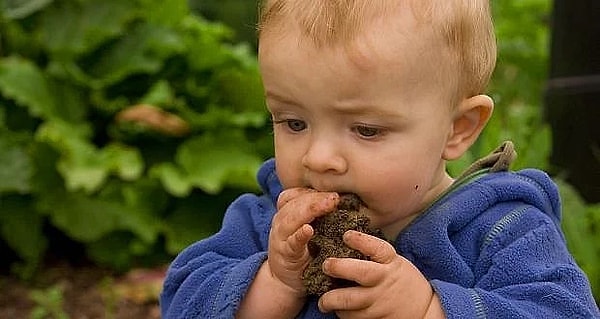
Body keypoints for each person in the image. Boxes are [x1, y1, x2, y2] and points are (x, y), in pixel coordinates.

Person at [160, 0, 600, 318]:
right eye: (293, 122)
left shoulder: (501, 231)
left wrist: (430, 309)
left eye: (366, 129)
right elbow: (182, 300)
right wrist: (273, 283)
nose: (320, 158)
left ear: (458, 128)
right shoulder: (269, 224)